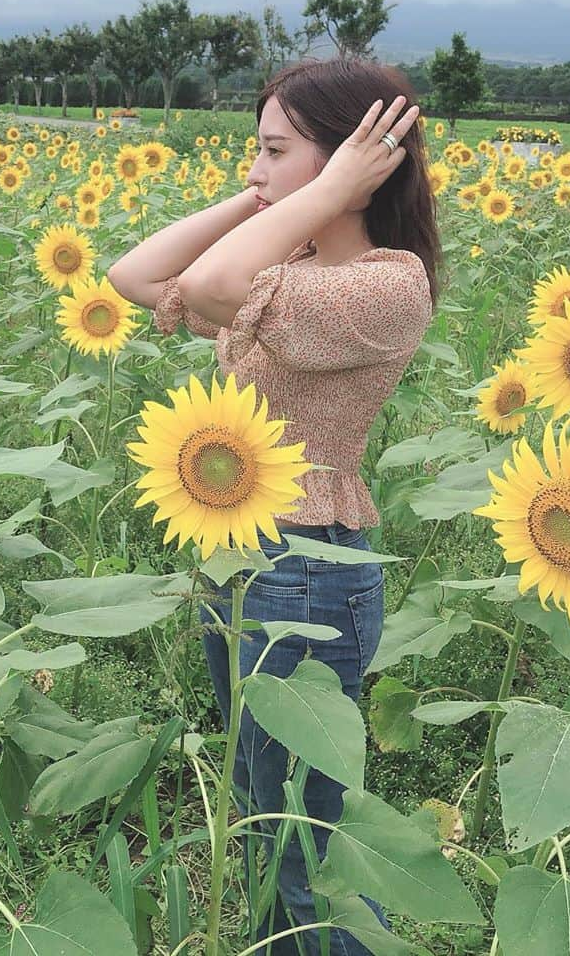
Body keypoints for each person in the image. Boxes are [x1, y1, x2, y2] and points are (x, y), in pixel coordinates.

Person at [107, 56, 441, 955]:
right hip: (244, 559)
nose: (252, 169)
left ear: (353, 162)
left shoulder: (384, 286)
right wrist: (271, 199)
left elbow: (212, 289)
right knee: (263, 811)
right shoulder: (289, 263)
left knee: (308, 843)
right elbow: (133, 274)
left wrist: (322, 190)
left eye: (270, 150)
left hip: (307, 572)